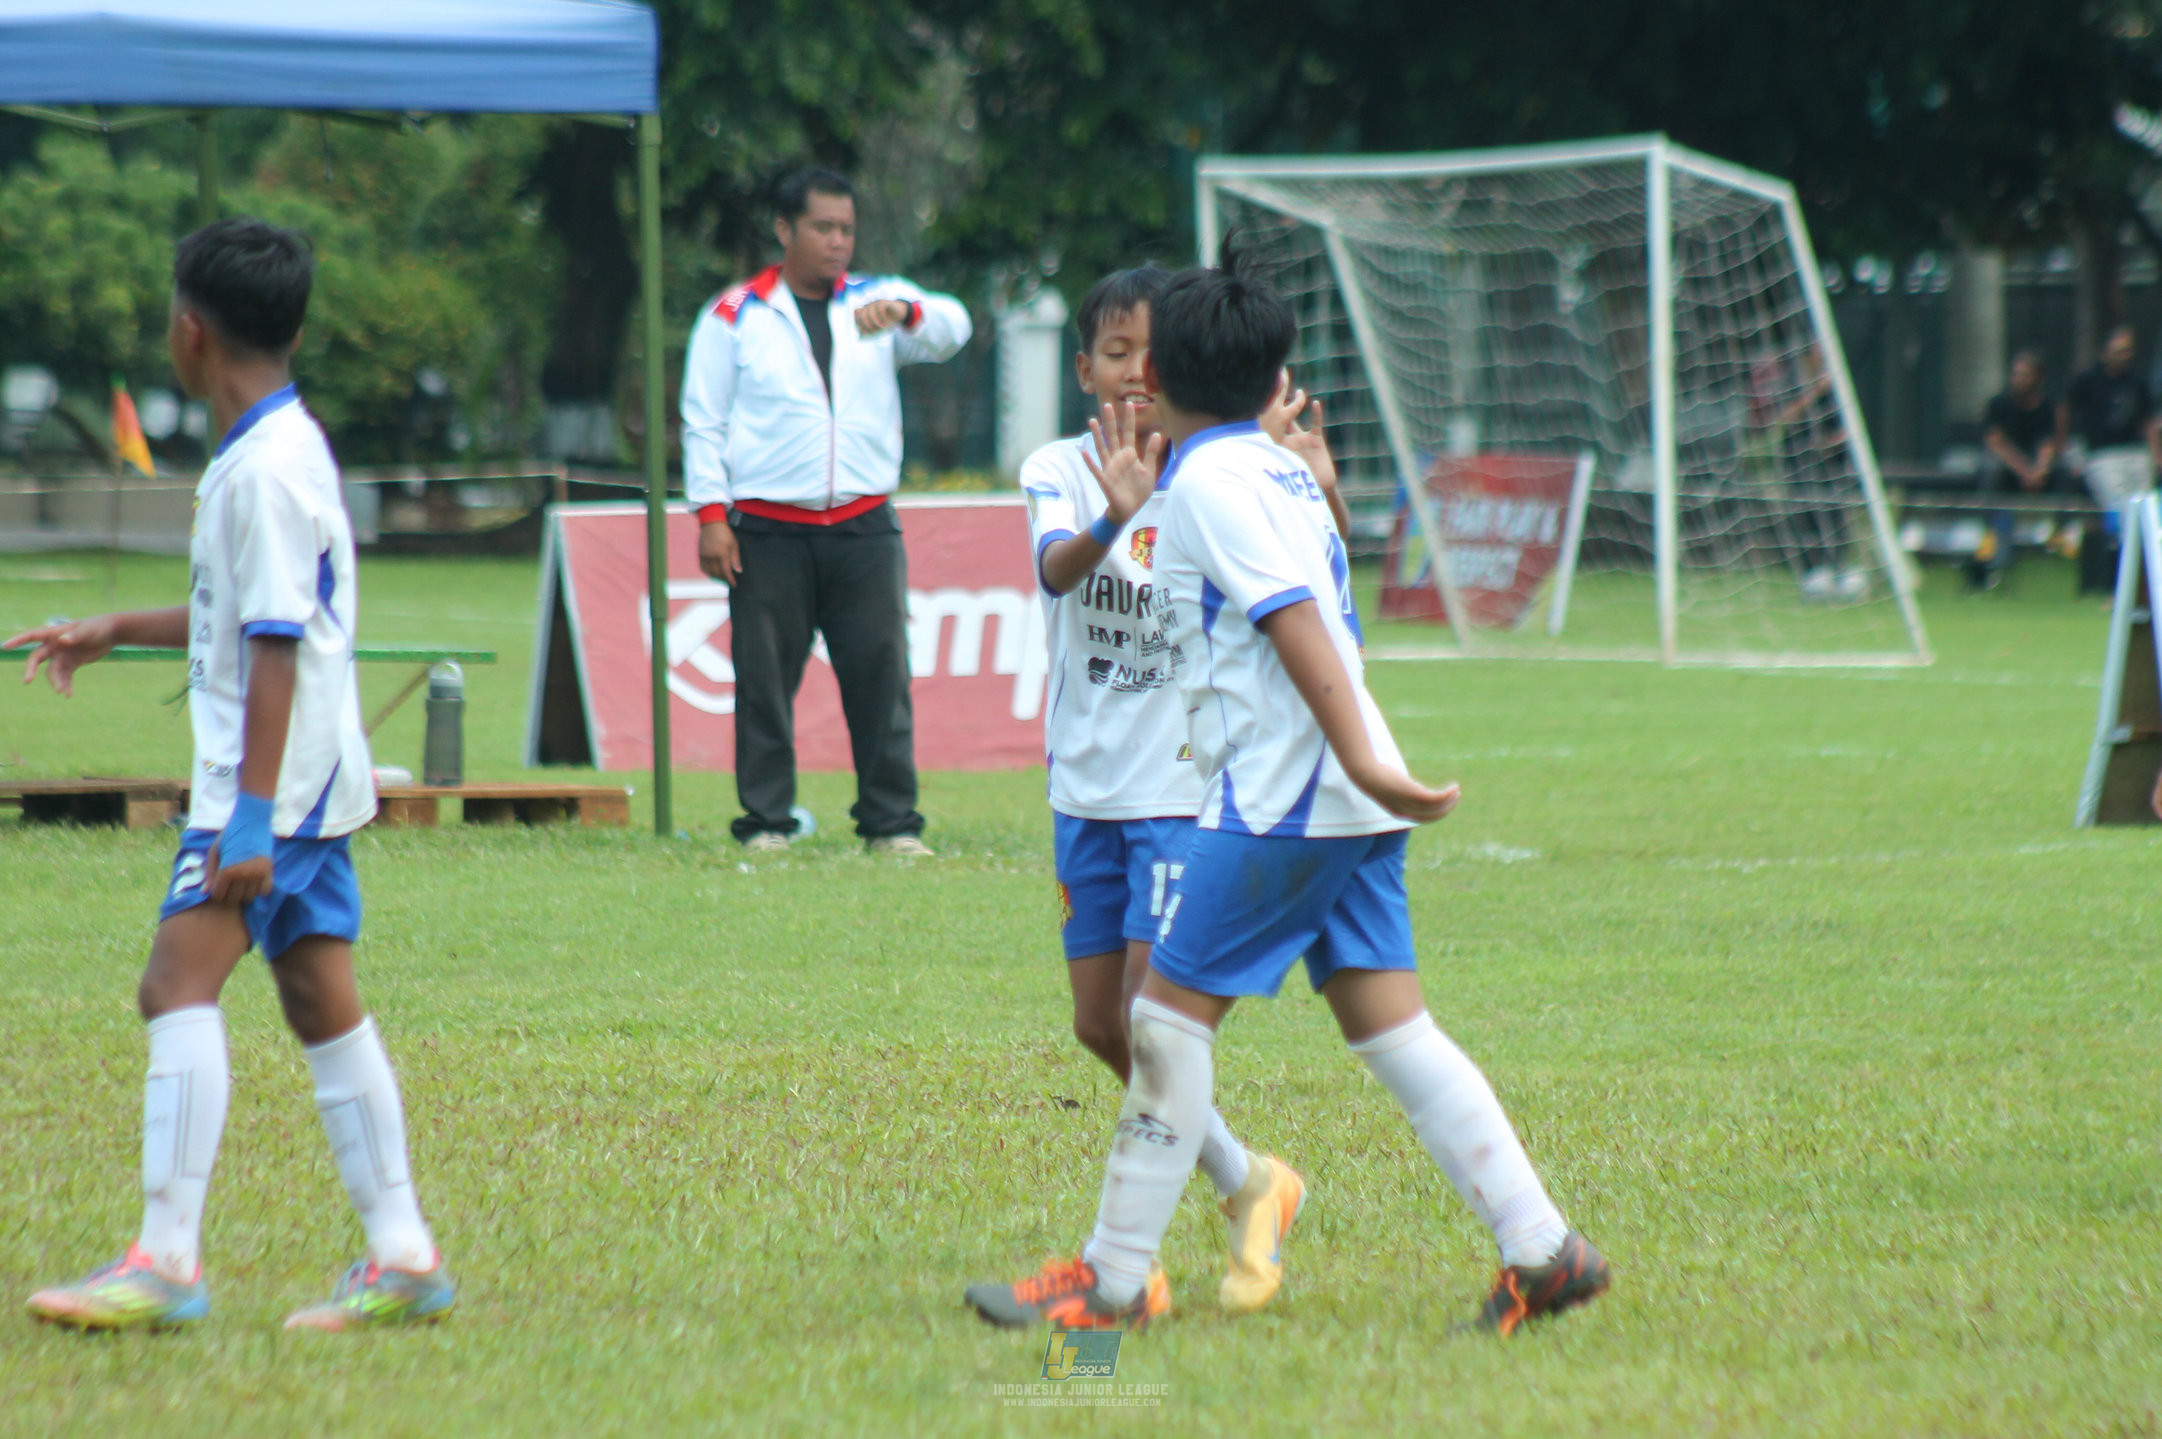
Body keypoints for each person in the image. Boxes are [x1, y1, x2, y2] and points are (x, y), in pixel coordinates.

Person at [965, 260, 1608, 1336]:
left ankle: (1109, 1282)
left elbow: (1292, 620)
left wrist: (1358, 758)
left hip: (1290, 795)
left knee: (1160, 1021)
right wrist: (1367, 767)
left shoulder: (1212, 482)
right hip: (1342, 798)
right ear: (1271, 378)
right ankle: (1542, 1247)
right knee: (1392, 1029)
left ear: (1166, 375)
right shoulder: (1274, 468)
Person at [10, 218, 451, 1332]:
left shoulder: (262, 472)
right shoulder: (280, 445)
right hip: (309, 780)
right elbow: (244, 611)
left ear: (189, 330)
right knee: (317, 997)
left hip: (268, 791)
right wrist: (118, 626)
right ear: (291, 328)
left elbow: (275, 648)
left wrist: (247, 819)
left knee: (174, 986)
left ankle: (165, 1260)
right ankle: (404, 1255)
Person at [1019, 265, 1305, 1316]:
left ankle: (1123, 1266)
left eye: (1151, 353)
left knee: (1155, 1017)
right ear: (1082, 370)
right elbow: (1056, 570)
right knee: (1101, 1026)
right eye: (1113, 354)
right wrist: (1112, 517)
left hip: (1184, 794)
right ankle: (1250, 1180)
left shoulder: (1220, 473)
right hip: (1084, 791)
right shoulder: (1057, 468)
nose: (1135, 374)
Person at [681, 167, 972, 855]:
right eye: (823, 228)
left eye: (847, 229)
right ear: (785, 229)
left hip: (865, 525)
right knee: (763, 683)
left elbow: (954, 328)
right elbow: (702, 419)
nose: (838, 241)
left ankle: (891, 824)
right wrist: (711, 516)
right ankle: (766, 821)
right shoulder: (734, 313)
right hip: (766, 527)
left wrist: (906, 314)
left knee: (881, 675)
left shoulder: (877, 300)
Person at [1971, 351, 2065, 589]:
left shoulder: (2046, 407)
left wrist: (2040, 470)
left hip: (2034, 471)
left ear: (2038, 378)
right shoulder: (1998, 404)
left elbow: (2047, 443)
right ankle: (1990, 536)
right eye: (2016, 374)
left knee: (2065, 472)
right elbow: (1996, 443)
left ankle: (2061, 534)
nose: (2019, 379)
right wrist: (2025, 472)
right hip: (2009, 467)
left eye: (2025, 375)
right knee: (1991, 470)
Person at [2062, 325, 2161, 514]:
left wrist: (2157, 456)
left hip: (2136, 452)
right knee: (2118, 506)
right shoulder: (2087, 380)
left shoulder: (2138, 381)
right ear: (2104, 352)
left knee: (2144, 507)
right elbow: (2066, 412)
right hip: (2103, 455)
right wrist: (2068, 450)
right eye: (2119, 351)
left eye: (2128, 350)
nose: (2124, 356)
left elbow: (2148, 421)